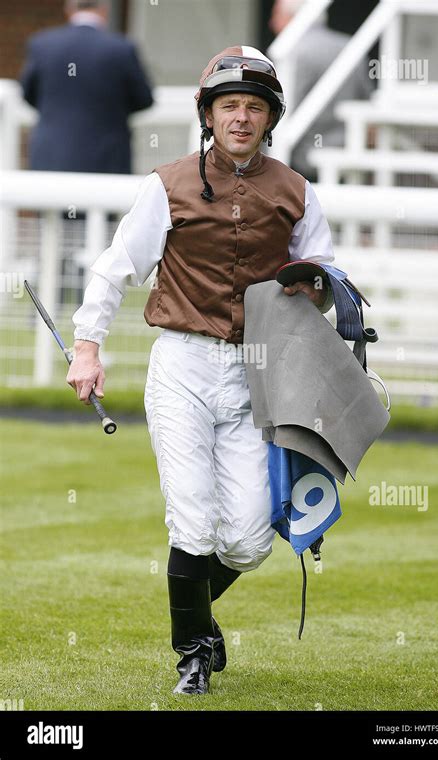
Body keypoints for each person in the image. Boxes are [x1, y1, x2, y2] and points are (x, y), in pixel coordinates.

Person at [66, 45, 336, 696]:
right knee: (192, 522)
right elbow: (115, 265)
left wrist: (318, 291)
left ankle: (197, 615)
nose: (240, 117)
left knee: (248, 541)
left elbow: (328, 274)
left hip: (257, 372)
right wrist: (87, 344)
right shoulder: (167, 185)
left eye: (253, 107)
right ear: (207, 115)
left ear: (270, 119)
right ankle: (192, 652)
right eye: (228, 106)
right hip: (182, 366)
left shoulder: (298, 192)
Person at [20, 0, 153, 173]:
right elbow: (144, 99)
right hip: (107, 157)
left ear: (68, 10)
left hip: (51, 155)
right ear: (104, 11)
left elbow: (27, 93)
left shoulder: (41, 44)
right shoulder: (121, 48)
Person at [269, 0, 374, 180]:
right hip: (350, 153)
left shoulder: (291, 52)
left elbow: (280, 112)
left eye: (276, 14)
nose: (271, 23)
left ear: (292, 16)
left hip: (301, 162)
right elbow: (367, 103)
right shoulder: (350, 46)